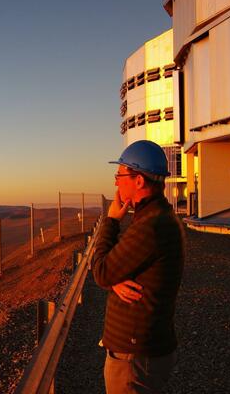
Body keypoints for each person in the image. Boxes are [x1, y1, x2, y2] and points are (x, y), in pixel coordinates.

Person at [91, 140, 185, 394]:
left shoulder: (151, 226)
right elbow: (115, 266)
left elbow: (101, 270)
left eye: (119, 175)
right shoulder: (155, 218)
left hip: (134, 358)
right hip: (141, 352)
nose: (115, 183)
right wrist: (115, 279)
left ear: (139, 180)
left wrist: (111, 221)